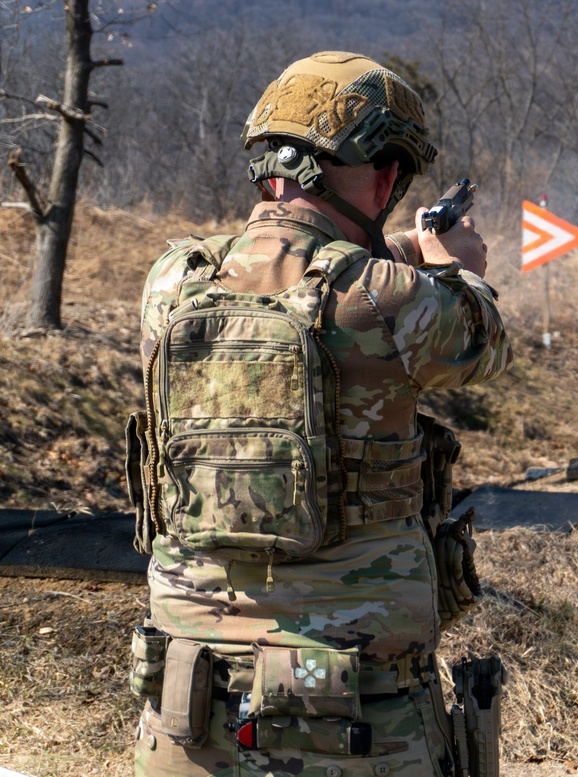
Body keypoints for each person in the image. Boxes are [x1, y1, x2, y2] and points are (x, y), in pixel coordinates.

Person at [129, 51, 513, 777]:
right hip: (356, 717)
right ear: (386, 177)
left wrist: (402, 249)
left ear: (266, 168)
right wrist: (456, 265)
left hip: (187, 703)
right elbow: (482, 336)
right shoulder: (393, 300)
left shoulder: (173, 281)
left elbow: (300, 271)